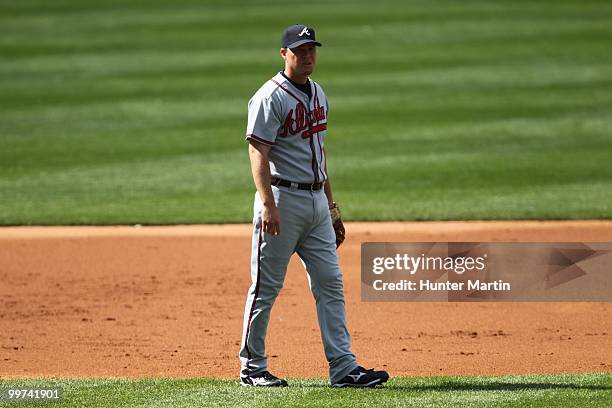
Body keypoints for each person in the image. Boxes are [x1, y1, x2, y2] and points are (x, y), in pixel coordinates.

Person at [238, 24, 389, 388]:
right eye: (299, 50)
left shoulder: (319, 92)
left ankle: (343, 367)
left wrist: (332, 207)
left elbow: (318, 154)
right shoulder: (269, 97)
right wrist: (267, 204)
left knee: (330, 283)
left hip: (316, 203)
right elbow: (258, 151)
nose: (307, 55)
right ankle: (252, 368)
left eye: (312, 49)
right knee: (266, 288)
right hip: (282, 201)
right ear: (284, 53)